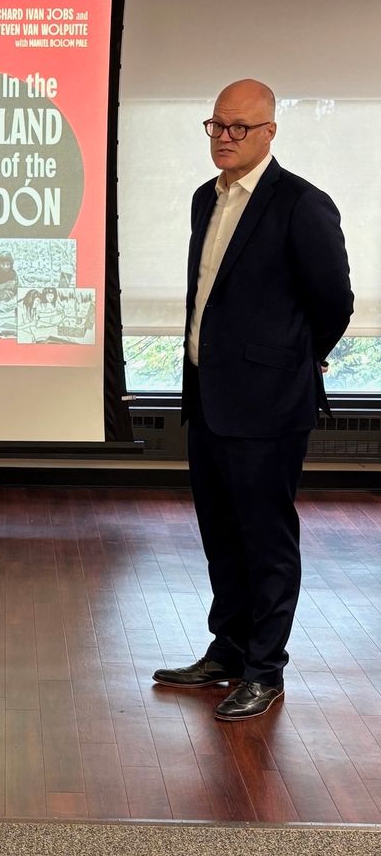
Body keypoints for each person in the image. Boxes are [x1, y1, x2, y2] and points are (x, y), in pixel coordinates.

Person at [152, 79, 354, 721]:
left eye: (239, 127)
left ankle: (265, 670)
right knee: (221, 535)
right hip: (208, 398)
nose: (225, 137)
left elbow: (335, 302)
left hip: (269, 404)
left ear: (269, 132)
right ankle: (230, 651)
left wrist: (293, 359)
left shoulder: (302, 204)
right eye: (216, 125)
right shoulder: (203, 199)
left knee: (266, 541)